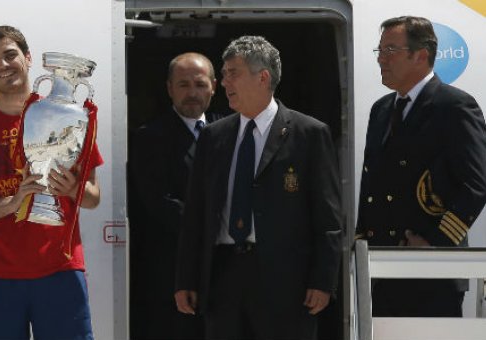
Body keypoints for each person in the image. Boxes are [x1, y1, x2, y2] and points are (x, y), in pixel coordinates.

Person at [0, 25, 102, 340]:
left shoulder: (67, 116)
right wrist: (13, 202)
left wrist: (71, 188)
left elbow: (93, 197)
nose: (3, 64)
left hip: (61, 270)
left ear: (28, 59)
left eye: (11, 55)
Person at [174, 35, 342, 340]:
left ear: (263, 77)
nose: (224, 83)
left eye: (232, 73)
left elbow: (328, 217)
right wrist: (186, 278)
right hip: (223, 277)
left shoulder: (309, 134)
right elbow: (196, 215)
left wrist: (323, 281)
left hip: (286, 283)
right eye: (223, 74)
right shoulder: (214, 137)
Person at [356, 16, 486, 317]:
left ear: (421, 55)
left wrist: (435, 244)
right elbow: (371, 183)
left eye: (391, 50)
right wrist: (363, 241)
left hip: (431, 271)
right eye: (380, 52)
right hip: (382, 265)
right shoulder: (381, 109)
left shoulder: (453, 106)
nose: (382, 60)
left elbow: (476, 183)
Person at [130, 52, 219, 339]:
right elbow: (159, 202)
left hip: (222, 269)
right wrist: (215, 228)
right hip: (170, 269)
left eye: (200, 84)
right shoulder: (149, 137)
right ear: (169, 88)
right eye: (183, 85)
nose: (192, 93)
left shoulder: (230, 130)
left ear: (214, 86)